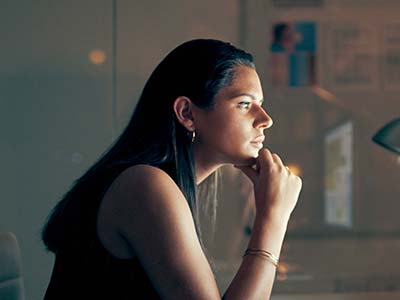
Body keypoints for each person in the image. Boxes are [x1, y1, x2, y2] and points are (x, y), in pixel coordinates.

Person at [41, 39, 302, 299]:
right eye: (245, 104)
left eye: (260, 104)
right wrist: (273, 217)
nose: (266, 120)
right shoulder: (145, 185)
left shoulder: (159, 183)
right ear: (187, 113)